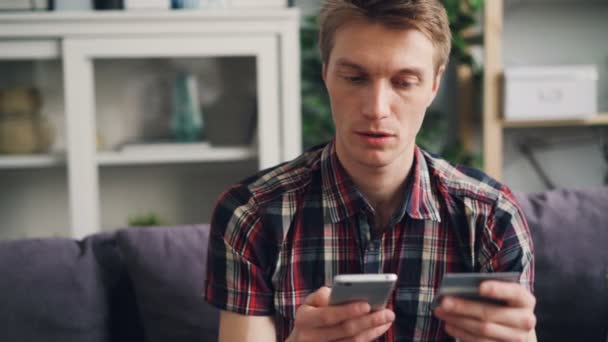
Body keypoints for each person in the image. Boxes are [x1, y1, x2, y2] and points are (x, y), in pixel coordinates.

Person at [205, 0, 536, 341]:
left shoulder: (491, 216)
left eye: (404, 82)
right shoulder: (252, 214)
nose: (376, 109)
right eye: (354, 78)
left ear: (434, 85)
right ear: (326, 74)